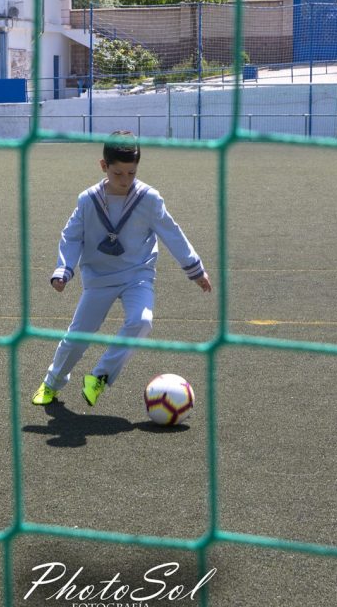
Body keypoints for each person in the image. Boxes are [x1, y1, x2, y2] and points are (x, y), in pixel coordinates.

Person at [31, 131, 212, 407]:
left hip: (137, 275)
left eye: (132, 172)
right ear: (103, 166)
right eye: (118, 173)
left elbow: (172, 233)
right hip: (99, 279)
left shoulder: (149, 199)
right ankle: (51, 383)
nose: (125, 180)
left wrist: (195, 270)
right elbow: (71, 236)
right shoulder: (88, 200)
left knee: (142, 321)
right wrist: (63, 270)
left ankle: (99, 377)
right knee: (77, 337)